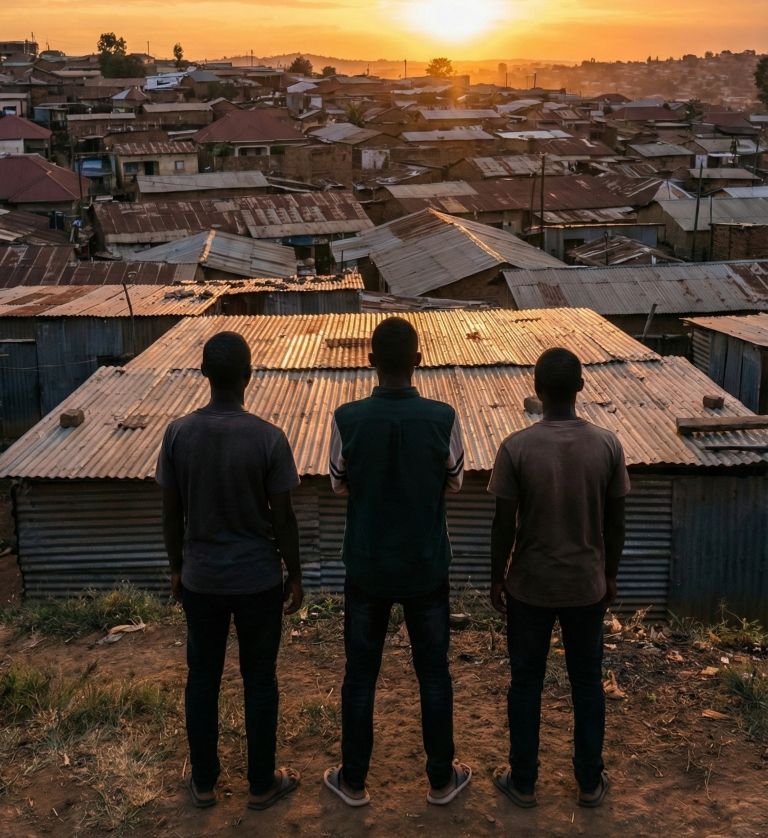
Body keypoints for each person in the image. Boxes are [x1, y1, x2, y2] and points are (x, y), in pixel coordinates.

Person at [324, 317, 471, 808]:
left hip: (366, 566)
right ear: (418, 361)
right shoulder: (443, 417)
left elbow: (338, 484)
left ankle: (354, 782)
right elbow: (454, 483)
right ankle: (441, 781)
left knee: (360, 675)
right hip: (426, 566)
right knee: (433, 673)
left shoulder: (346, 418)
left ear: (371, 362)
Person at [158, 330, 304, 812]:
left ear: (204, 375)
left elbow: (170, 512)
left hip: (201, 581)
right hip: (258, 581)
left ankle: (203, 783)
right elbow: (283, 516)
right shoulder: (268, 437)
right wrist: (295, 574)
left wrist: (177, 568)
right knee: (260, 681)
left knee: (202, 680)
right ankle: (262, 784)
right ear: (248, 376)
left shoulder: (178, 434)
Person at [489, 346, 629, 809]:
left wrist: (496, 578)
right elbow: (616, 521)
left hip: (530, 586)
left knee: (525, 683)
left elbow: (502, 523)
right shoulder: (607, 444)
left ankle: (523, 782)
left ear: (537, 390)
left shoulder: (517, 446)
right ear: (581, 388)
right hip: (585, 587)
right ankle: (589, 782)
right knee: (587, 683)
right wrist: (609, 576)